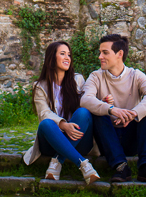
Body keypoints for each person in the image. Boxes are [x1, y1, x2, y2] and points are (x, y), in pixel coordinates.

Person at [81, 34, 146, 184]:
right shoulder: (95, 77)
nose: (100, 56)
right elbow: (85, 100)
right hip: (108, 138)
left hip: (131, 137)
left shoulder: (136, 75)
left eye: (105, 52)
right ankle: (120, 166)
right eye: (100, 52)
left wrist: (133, 113)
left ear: (119, 54)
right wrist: (111, 109)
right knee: (97, 112)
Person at [23, 41, 100, 184]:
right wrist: (64, 125)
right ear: (52, 58)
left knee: (83, 113)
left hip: (78, 137)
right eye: (63, 54)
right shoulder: (40, 86)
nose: (67, 58)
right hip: (51, 142)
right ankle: (84, 164)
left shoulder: (78, 80)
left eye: (69, 55)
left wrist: (103, 101)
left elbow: (88, 102)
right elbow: (44, 113)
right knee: (46, 123)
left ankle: (58, 160)